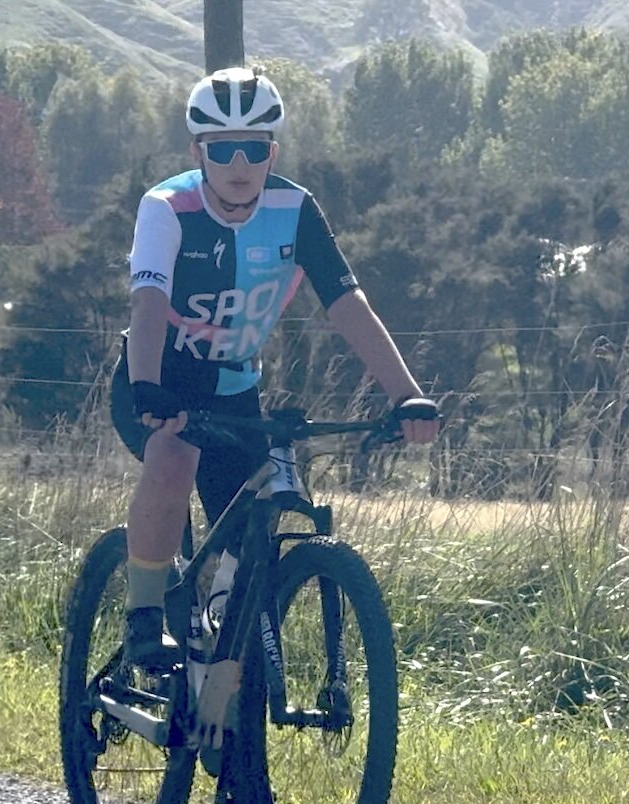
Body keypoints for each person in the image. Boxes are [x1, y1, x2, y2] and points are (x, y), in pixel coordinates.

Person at [115, 66, 439, 747]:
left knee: (247, 548)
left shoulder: (295, 210)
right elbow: (148, 303)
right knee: (172, 461)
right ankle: (145, 613)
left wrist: (404, 392)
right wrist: (149, 386)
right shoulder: (166, 207)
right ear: (197, 151)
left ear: (274, 152)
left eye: (254, 148)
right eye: (222, 148)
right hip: (160, 382)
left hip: (235, 388)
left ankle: (220, 702)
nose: (238, 163)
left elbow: (347, 304)